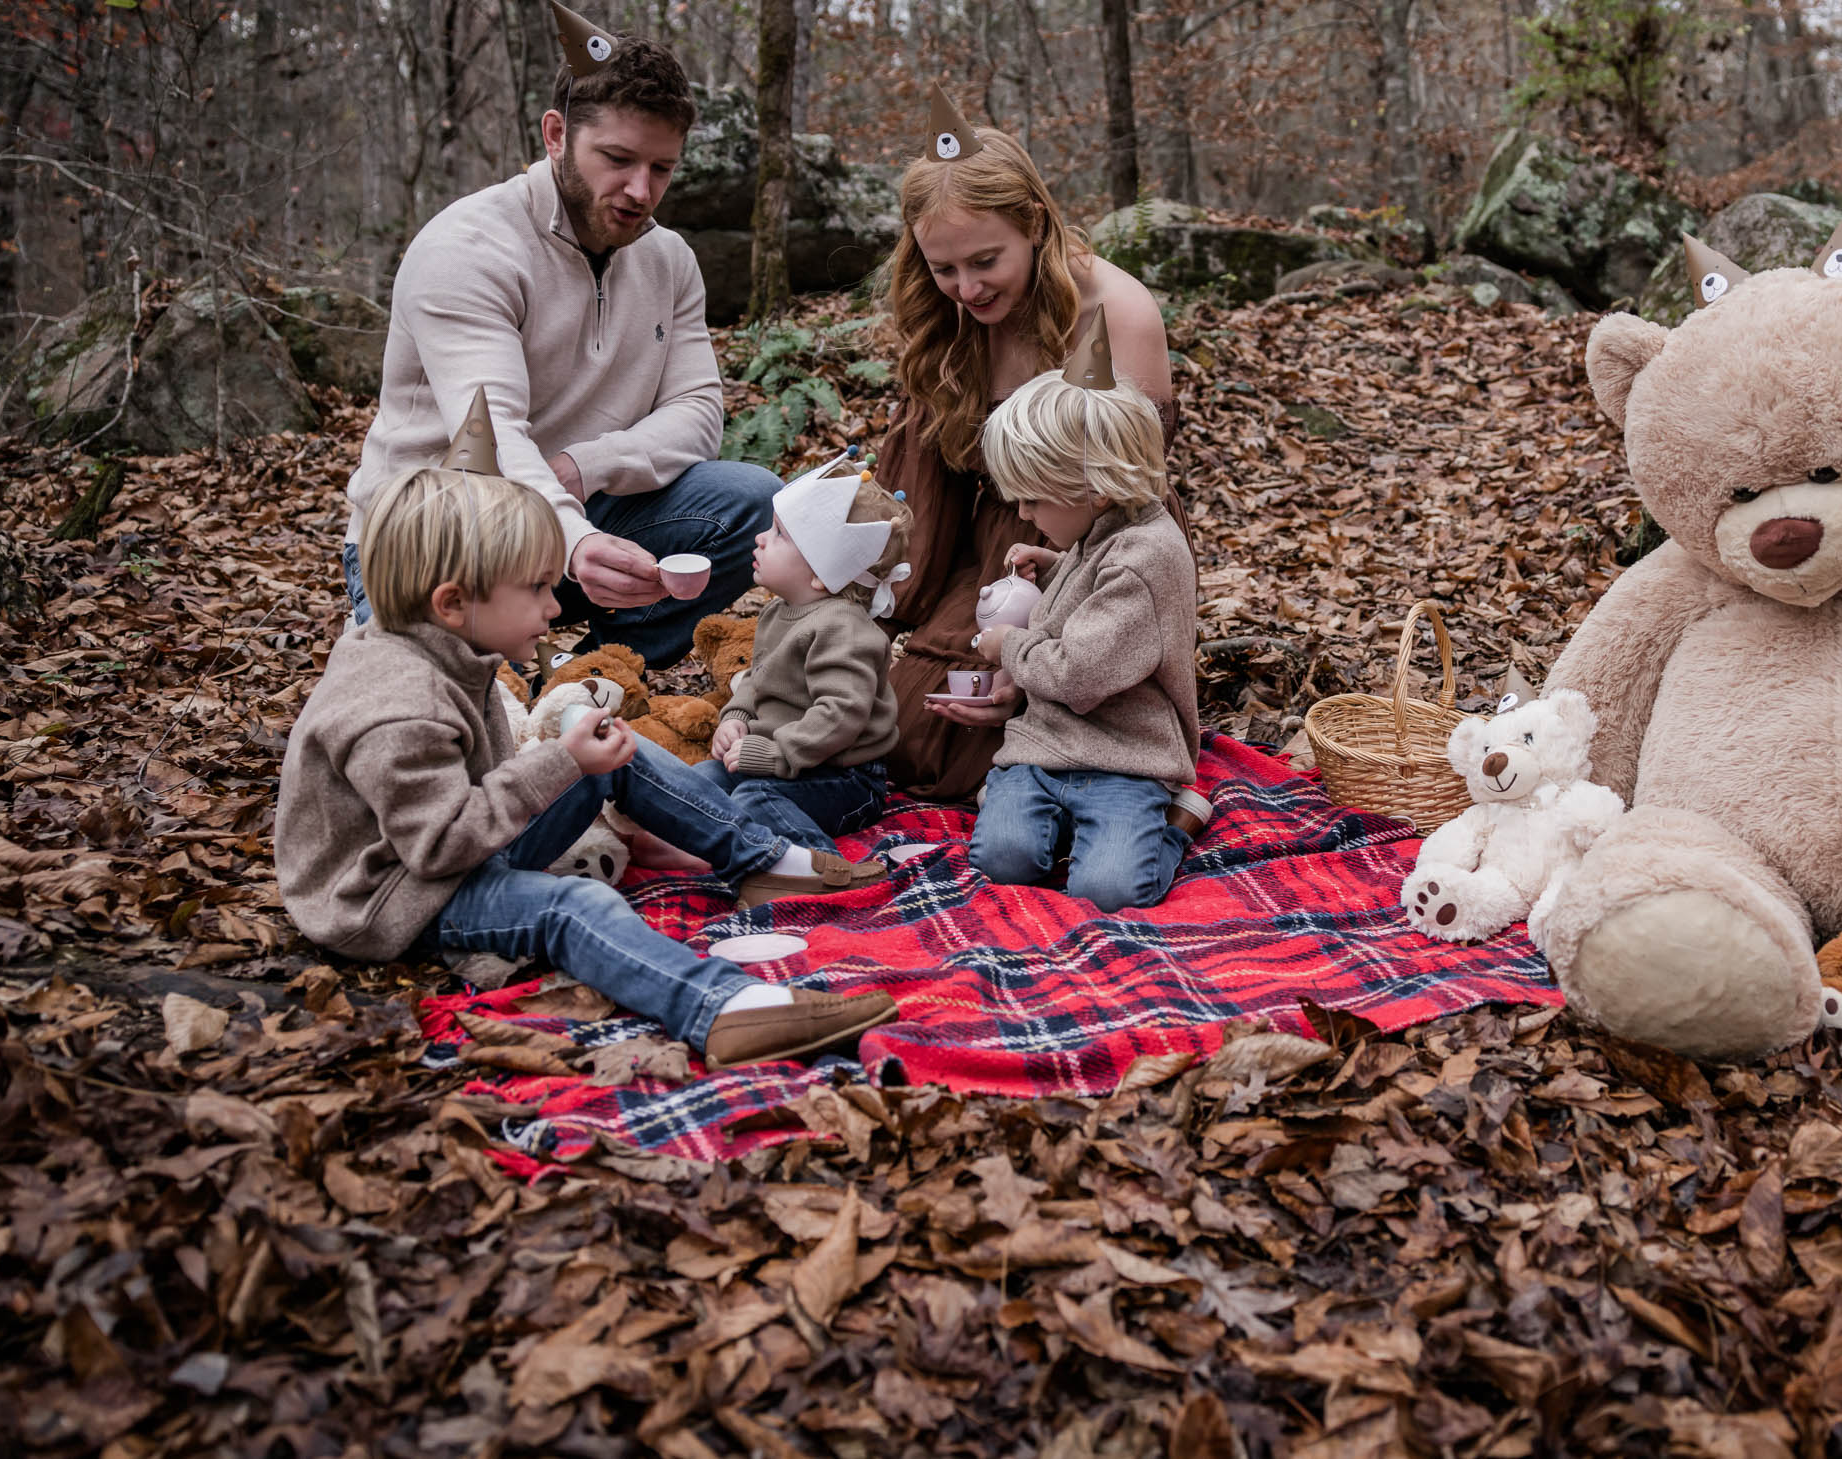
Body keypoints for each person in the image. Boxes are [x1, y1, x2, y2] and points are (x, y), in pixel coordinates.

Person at [279, 450, 899, 1069]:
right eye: (537, 589)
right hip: (395, 896)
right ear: (451, 602)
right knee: (573, 908)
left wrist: (574, 761)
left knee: (617, 755)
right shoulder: (399, 708)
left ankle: (763, 860)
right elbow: (438, 847)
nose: (555, 609)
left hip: (448, 850)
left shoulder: (444, 646)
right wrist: (558, 764)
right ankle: (723, 1011)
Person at [340, 0, 777, 671]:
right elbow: (489, 439)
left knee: (749, 504)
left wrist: (584, 468)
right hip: (440, 539)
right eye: (618, 158)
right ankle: (515, 692)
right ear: (555, 134)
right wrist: (573, 542)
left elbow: (698, 415)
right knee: (460, 738)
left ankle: (597, 678)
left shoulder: (669, 260)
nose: (640, 190)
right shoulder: (468, 248)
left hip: (579, 516)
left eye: (661, 168)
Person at [873, 87, 1193, 801]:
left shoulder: (1115, 310)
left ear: (1035, 224)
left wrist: (1031, 662)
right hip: (977, 533)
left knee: (965, 741)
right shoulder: (947, 311)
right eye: (943, 267)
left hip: (1086, 540)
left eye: (986, 260)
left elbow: (1130, 497)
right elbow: (927, 482)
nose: (966, 287)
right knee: (905, 724)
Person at [964, 317, 1210, 913]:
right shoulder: (1107, 527)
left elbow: (1078, 673)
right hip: (1045, 745)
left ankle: (1172, 825)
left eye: (1033, 498)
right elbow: (1095, 593)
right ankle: (1035, 815)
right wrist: (1051, 565)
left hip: (1127, 755)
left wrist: (1009, 647)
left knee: (1110, 891)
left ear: (1095, 488)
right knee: (1003, 861)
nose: (1023, 513)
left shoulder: (1144, 557)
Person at [694, 453, 912, 853]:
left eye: (779, 534)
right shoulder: (780, 611)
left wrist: (776, 753)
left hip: (844, 777)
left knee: (755, 799)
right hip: (783, 762)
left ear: (820, 574)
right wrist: (738, 716)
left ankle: (814, 866)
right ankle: (708, 844)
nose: (761, 538)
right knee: (699, 782)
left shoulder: (843, 628)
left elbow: (841, 714)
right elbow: (759, 679)